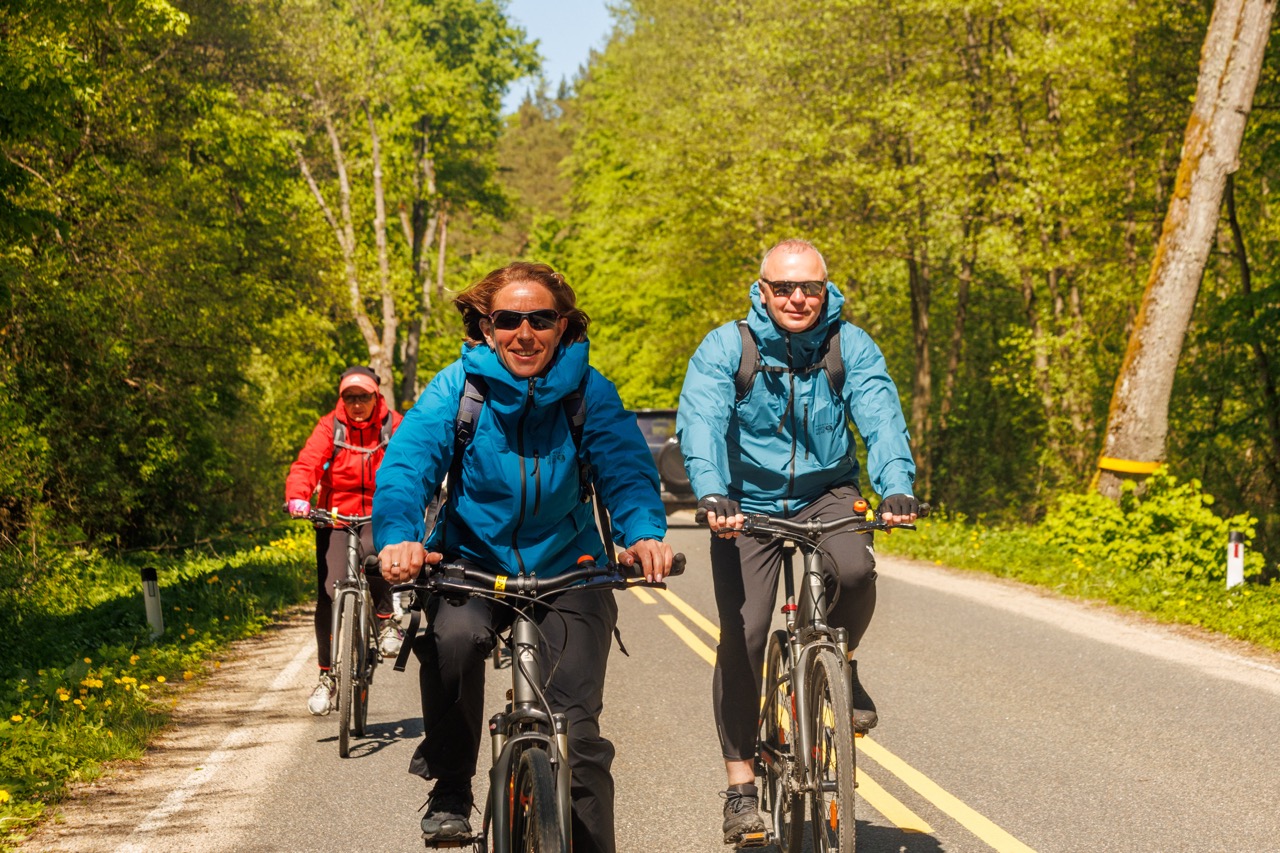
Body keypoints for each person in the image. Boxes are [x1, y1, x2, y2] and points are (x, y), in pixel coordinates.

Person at [374, 261, 675, 853]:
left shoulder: (589, 390)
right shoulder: (458, 390)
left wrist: (642, 532)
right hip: (471, 563)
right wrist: (398, 538)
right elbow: (407, 468)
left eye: (541, 318)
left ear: (562, 326)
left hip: (569, 567)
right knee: (453, 643)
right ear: (486, 327)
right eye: (508, 319)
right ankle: (453, 786)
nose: (525, 332)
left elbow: (625, 469)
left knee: (579, 738)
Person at [676, 238, 919, 844]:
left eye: (808, 286)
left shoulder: (849, 345)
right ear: (762, 291)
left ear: (825, 288)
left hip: (826, 491)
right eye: (783, 287)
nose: (797, 298)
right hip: (744, 500)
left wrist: (896, 487)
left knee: (856, 572)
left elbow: (880, 415)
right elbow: (701, 419)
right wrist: (710, 491)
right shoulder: (728, 347)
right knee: (748, 632)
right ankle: (740, 787)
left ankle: (844, 662)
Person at [285, 365, 404, 716]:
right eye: (350, 397)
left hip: (379, 512)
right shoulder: (330, 427)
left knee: (379, 560)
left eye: (363, 397)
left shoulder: (393, 425)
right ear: (342, 399)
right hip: (335, 517)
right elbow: (307, 464)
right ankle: (327, 677)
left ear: (376, 396)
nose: (356, 404)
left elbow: (412, 460)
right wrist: (298, 496)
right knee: (329, 591)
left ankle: (385, 620)